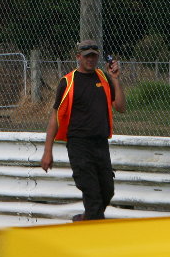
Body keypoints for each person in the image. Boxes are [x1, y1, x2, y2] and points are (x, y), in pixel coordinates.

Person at [40, 39, 126, 221]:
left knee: (107, 191)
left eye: (94, 56)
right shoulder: (68, 82)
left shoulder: (104, 78)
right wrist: (48, 151)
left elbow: (120, 107)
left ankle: (84, 220)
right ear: (78, 57)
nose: (90, 60)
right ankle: (92, 228)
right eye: (87, 56)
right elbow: (55, 117)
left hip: (100, 144)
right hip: (79, 145)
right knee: (93, 196)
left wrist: (115, 78)